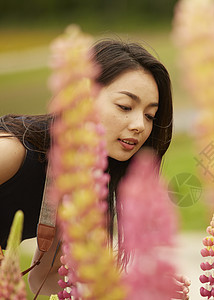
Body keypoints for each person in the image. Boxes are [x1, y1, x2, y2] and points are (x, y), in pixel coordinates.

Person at [0, 39, 173, 295]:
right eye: (125, 106)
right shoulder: (13, 150)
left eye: (150, 116)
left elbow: (46, 279)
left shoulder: (88, 178)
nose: (140, 125)